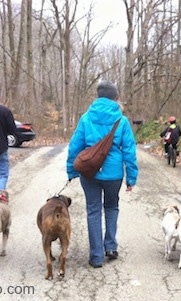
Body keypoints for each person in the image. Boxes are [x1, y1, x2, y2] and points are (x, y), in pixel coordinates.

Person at [66, 80, 138, 268]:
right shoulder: (121, 121)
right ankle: (111, 247)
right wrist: (131, 177)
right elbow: (129, 150)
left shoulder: (86, 118)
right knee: (112, 207)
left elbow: (75, 146)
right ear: (117, 97)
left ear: (97, 97)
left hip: (89, 172)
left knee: (93, 210)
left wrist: (72, 169)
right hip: (114, 173)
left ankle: (96, 256)